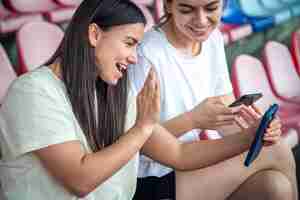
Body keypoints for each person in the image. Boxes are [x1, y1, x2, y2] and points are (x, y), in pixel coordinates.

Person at [0, 1, 292, 200]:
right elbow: (80, 178)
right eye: (129, 43)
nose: (135, 57)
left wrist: (252, 137)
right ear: (93, 34)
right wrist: (143, 127)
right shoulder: (33, 91)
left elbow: (179, 154)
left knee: (274, 184)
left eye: (136, 46)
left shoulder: (111, 91)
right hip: (145, 187)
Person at [128, 0, 298, 199]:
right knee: (277, 151)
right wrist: (193, 119)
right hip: (152, 179)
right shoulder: (146, 55)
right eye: (187, 9)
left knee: (275, 187)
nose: (201, 21)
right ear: (167, 5)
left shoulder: (212, 38)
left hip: (192, 164)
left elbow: (227, 113)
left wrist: (259, 128)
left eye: (211, 8)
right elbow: (138, 143)